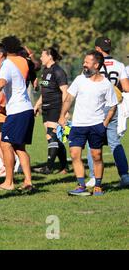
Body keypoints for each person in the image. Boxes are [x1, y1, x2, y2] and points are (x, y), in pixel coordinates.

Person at [59, 51, 117, 196]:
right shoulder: (79, 79)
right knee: (74, 154)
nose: (84, 64)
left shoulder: (106, 84)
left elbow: (113, 105)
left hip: (96, 125)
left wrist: (105, 123)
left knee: (96, 156)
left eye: (87, 62)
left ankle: (98, 186)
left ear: (96, 65)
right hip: (78, 125)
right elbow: (68, 99)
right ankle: (81, 185)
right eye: (84, 61)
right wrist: (62, 115)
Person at [0, 43, 35, 193]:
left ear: (0, 55)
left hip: (18, 112)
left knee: (6, 144)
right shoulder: (9, 65)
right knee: (19, 147)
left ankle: (8, 182)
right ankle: (28, 181)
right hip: (24, 110)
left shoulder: (6, 66)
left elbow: (1, 82)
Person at [84, 37, 129, 188]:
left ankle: (92, 177)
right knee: (115, 142)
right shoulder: (119, 65)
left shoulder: (93, 64)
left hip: (96, 107)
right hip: (113, 107)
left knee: (92, 143)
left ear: (97, 49)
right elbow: (126, 88)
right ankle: (125, 176)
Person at [33, 47, 69, 174]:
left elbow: (65, 92)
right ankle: (64, 167)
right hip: (46, 108)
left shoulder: (58, 71)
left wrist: (65, 111)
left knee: (51, 135)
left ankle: (48, 167)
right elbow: (45, 92)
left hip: (56, 107)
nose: (41, 58)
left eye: (43, 55)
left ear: (49, 56)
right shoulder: (45, 71)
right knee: (56, 139)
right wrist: (37, 105)